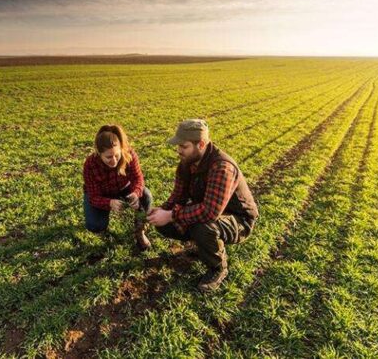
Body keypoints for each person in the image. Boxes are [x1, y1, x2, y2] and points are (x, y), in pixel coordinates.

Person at [147, 119, 258, 292]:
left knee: (203, 226)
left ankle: (218, 268)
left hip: (238, 220)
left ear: (201, 144)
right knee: (165, 225)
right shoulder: (186, 164)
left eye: (184, 146)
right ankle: (203, 246)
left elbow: (209, 212)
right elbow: (178, 196)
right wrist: (160, 211)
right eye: (178, 146)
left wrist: (171, 215)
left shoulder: (222, 167)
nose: (179, 151)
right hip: (210, 212)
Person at [83, 124, 152, 250]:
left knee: (146, 195)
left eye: (117, 155)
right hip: (101, 194)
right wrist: (109, 203)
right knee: (95, 225)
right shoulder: (90, 164)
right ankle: (101, 224)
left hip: (123, 188)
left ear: (121, 148)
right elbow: (93, 196)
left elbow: (138, 178)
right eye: (108, 157)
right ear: (99, 153)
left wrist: (136, 193)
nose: (114, 161)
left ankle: (140, 231)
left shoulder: (130, 155)